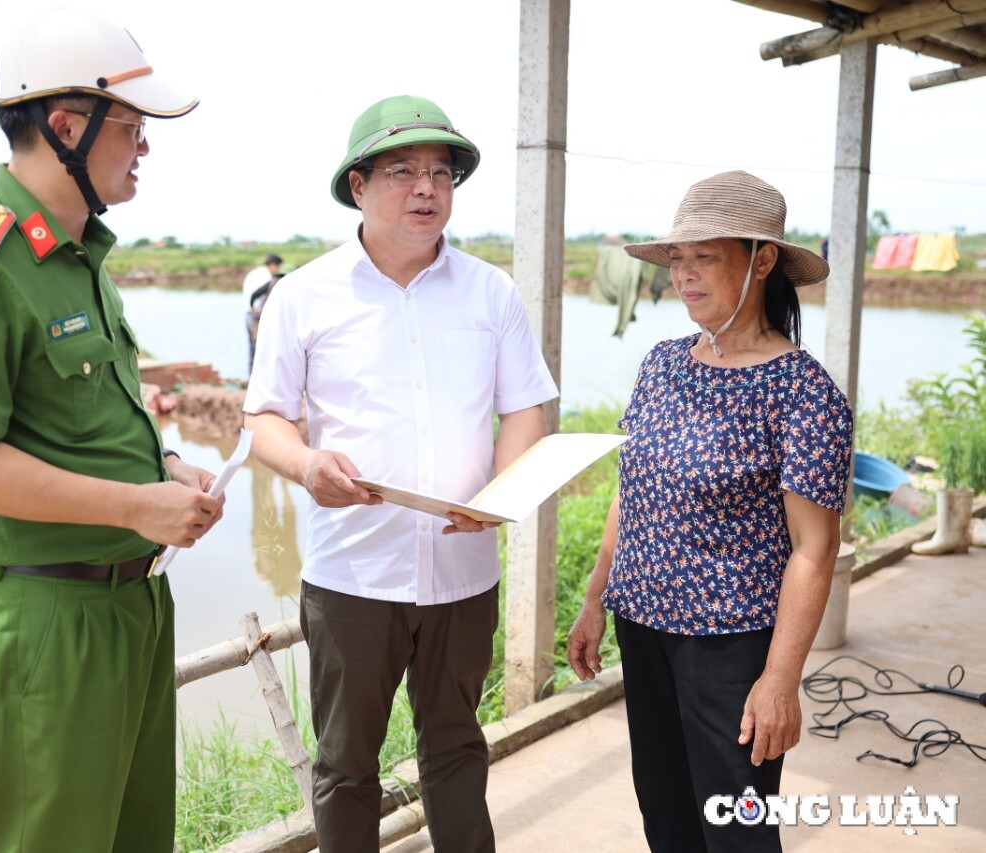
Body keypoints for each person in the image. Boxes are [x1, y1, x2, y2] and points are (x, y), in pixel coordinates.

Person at [0, 9, 223, 851]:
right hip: (48, 613)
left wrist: (171, 469)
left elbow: (94, 415)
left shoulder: (82, 255)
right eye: (131, 126)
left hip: (132, 601)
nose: (144, 146)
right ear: (65, 125)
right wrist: (132, 507)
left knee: (135, 834)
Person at [243, 94, 558, 853]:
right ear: (358, 185)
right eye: (403, 171)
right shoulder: (303, 296)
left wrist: (502, 491)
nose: (426, 188)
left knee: (456, 746)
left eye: (441, 173)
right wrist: (308, 462)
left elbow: (527, 413)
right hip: (353, 572)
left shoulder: (492, 292)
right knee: (346, 763)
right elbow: (263, 421)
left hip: (463, 567)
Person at [566, 171, 853, 852]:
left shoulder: (802, 391)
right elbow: (630, 489)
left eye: (704, 257)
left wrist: (780, 679)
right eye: (676, 259)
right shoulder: (662, 364)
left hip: (730, 650)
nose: (683, 276)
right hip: (643, 628)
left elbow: (815, 549)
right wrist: (595, 596)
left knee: (735, 830)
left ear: (761, 260)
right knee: (665, 814)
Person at [243, 253, 283, 373]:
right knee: (262, 349)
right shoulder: (267, 277)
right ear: (273, 265)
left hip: (248, 315)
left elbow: (251, 296)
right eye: (278, 267)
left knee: (252, 348)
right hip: (258, 317)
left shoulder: (253, 273)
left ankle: (251, 380)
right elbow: (259, 295)